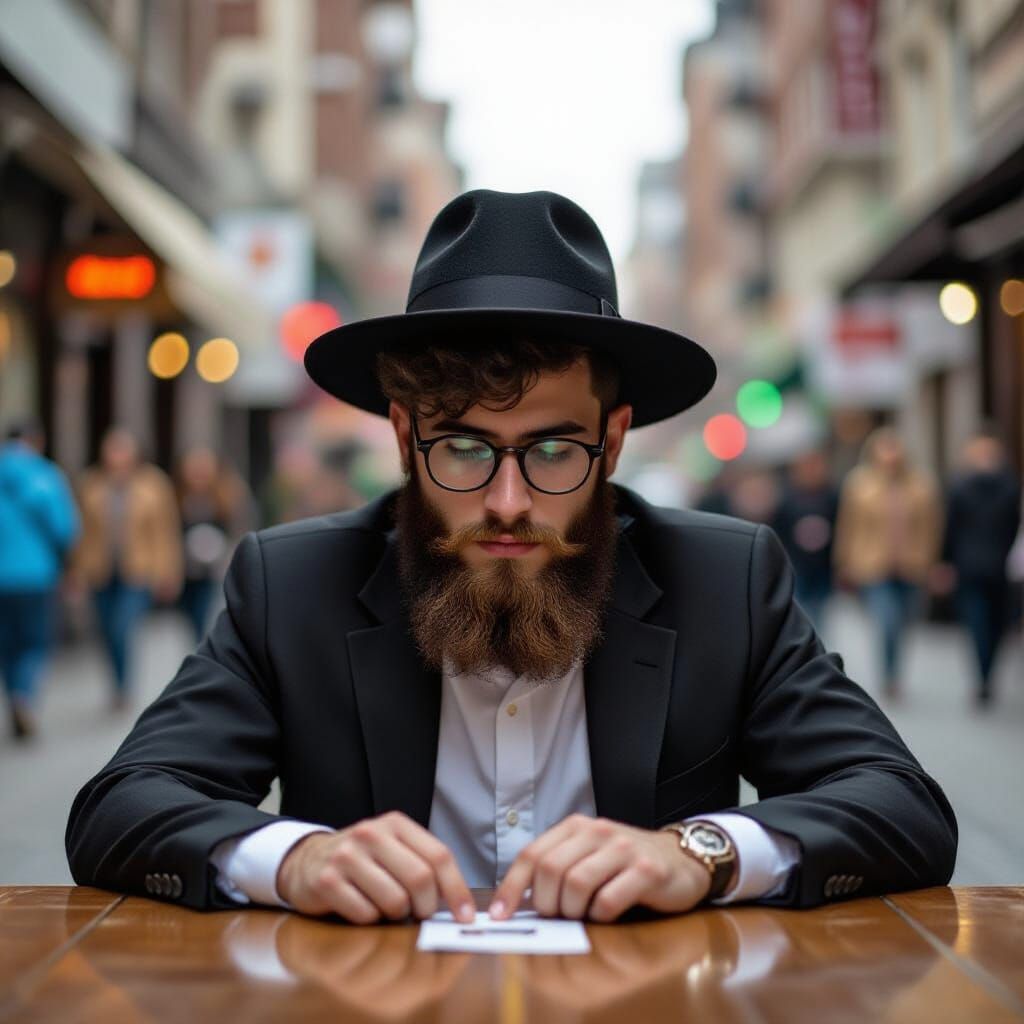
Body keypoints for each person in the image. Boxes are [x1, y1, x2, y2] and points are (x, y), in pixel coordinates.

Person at [67, 190, 956, 926]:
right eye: (463, 447)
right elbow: (123, 803)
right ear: (405, 436)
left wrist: (702, 851)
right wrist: (294, 858)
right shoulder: (292, 585)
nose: (506, 502)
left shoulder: (723, 582)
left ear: (613, 441)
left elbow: (900, 803)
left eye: (553, 450)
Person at [70, 428, 183, 709]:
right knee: (106, 630)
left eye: (122, 450)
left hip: (138, 570)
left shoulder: (153, 484)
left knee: (122, 627)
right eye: (112, 450)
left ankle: (123, 687)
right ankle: (117, 682)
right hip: (100, 570)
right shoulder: (91, 484)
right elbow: (81, 534)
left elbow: (165, 532)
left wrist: (168, 572)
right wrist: (76, 573)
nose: (116, 456)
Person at [834, 428, 942, 700]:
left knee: (905, 623)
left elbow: (932, 528)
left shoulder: (921, 485)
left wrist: (933, 563)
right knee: (887, 620)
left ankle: (895, 671)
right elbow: (848, 526)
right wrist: (843, 561)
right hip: (873, 566)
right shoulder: (859, 484)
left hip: (912, 566)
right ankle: (889, 676)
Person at [0, 419, 80, 739]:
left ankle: (13, 695)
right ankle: (24, 694)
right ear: (36, 440)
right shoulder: (46, 476)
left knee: (6, 644)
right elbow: (64, 529)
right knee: (34, 642)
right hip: (36, 576)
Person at [937, 430, 1021, 707]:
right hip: (985, 567)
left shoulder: (970, 486)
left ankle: (984, 676)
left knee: (986, 625)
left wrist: (946, 561)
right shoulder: (1001, 486)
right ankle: (985, 676)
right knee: (985, 624)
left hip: (983, 567)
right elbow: (952, 528)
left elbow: (951, 529)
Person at [174, 447, 254, 644]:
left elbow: (238, 528)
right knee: (188, 612)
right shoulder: (179, 496)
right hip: (186, 567)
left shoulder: (225, 495)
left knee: (204, 610)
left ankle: (201, 646)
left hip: (213, 568)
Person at [772, 450, 839, 632]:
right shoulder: (786, 496)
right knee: (801, 608)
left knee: (819, 610)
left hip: (824, 565)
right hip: (797, 564)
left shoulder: (832, 495)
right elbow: (779, 529)